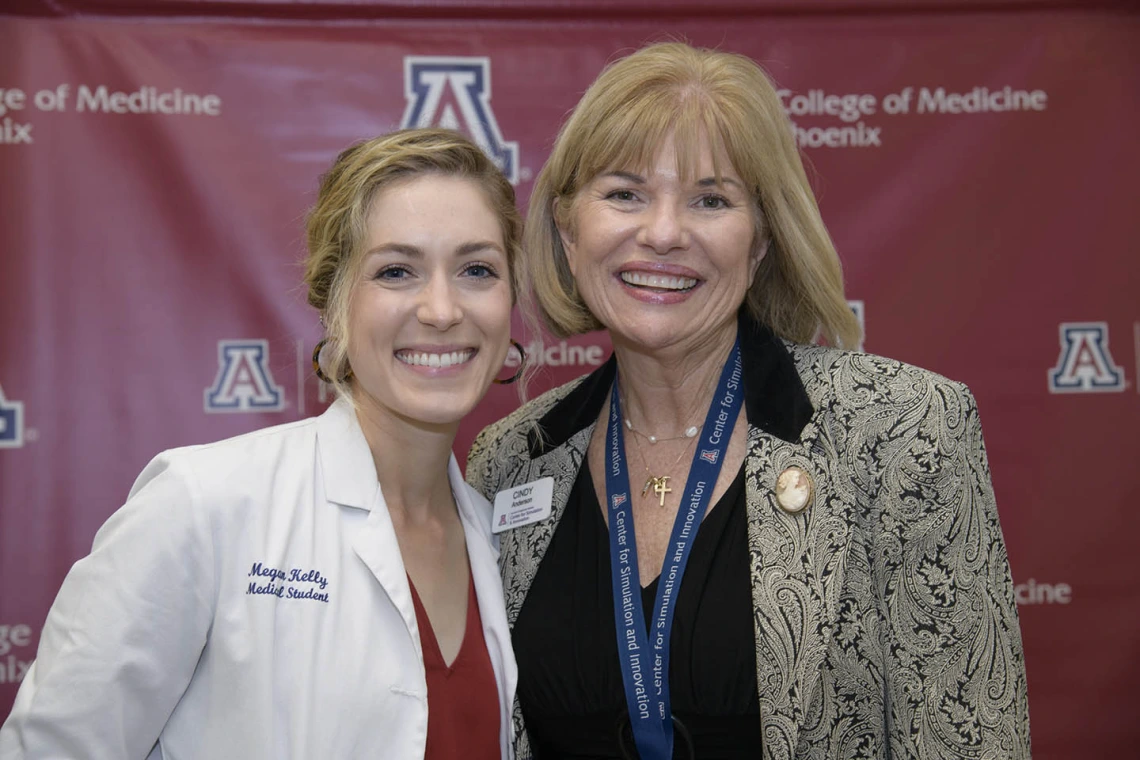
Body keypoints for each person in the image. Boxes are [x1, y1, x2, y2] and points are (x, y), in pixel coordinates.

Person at [466, 43, 1030, 759]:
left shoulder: (903, 430)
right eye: (624, 193)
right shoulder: (512, 461)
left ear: (759, 241)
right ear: (569, 230)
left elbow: (971, 739)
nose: (665, 232)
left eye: (711, 199)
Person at [0, 128, 520, 760]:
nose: (442, 308)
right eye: (396, 271)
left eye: (476, 269)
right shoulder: (203, 504)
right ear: (335, 302)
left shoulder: (502, 539)